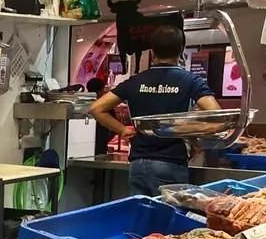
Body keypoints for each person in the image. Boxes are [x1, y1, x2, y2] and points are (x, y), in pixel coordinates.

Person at [88, 25, 221, 196]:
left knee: (143, 218)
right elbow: (216, 117)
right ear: (181, 50)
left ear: (152, 51)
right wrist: (191, 131)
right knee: (168, 219)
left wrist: (122, 130)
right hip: (171, 163)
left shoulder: (136, 81)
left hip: (139, 164)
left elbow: (96, 108)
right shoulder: (191, 82)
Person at [86, 77, 113, 156]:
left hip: (84, 145)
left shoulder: (83, 106)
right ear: (100, 91)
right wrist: (104, 140)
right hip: (101, 147)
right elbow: (114, 129)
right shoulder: (106, 106)